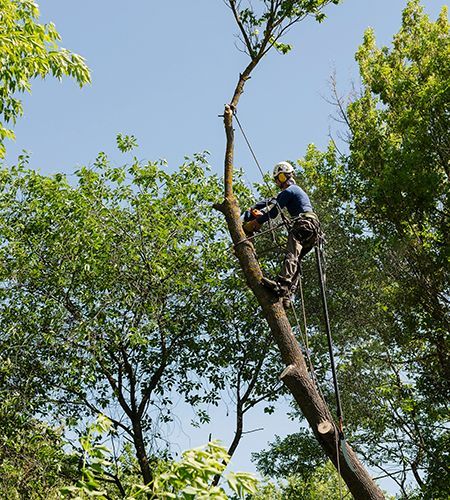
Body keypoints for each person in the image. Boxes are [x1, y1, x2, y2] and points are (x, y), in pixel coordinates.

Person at [243, 161, 320, 308]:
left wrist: (256, 222)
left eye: (280, 179)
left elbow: (273, 212)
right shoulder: (295, 191)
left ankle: (282, 284)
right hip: (313, 231)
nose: (279, 182)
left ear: (284, 178)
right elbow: (272, 201)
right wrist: (253, 207)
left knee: (291, 254)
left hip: (303, 225)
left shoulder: (290, 190)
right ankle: (288, 296)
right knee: (296, 260)